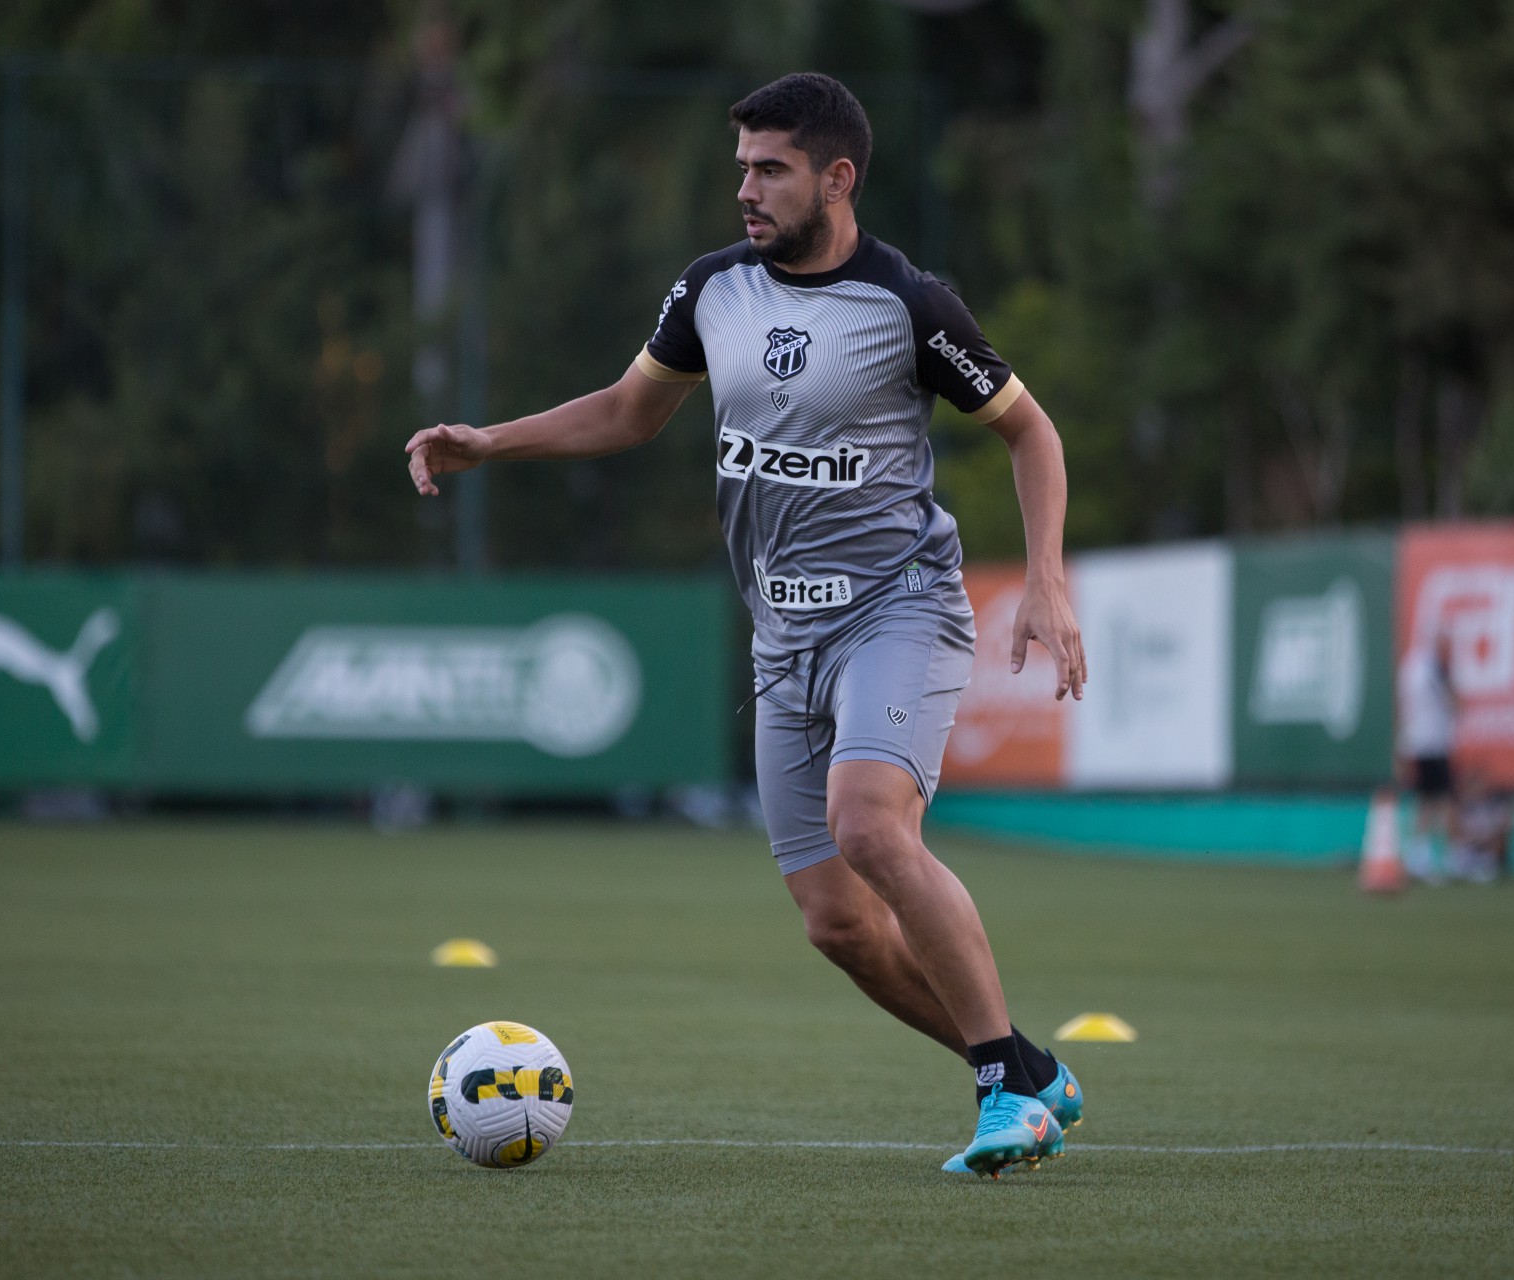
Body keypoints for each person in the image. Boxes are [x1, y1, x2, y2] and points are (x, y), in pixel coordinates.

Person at [404, 73, 1086, 1178]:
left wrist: (1048, 580)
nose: (747, 191)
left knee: (870, 827)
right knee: (838, 925)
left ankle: (1008, 1092)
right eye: (742, 170)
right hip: (782, 640)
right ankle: (1022, 1062)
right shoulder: (711, 290)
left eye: (770, 170)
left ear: (837, 176)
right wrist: (491, 441)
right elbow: (631, 410)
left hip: (900, 607)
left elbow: (1032, 432)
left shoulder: (908, 304)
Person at [1396, 629, 1458, 882]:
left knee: (1431, 802)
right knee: (1436, 802)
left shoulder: (1415, 669)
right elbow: (1455, 704)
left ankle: (1424, 857)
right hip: (1428, 744)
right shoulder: (1429, 670)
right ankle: (1432, 858)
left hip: (1427, 743)